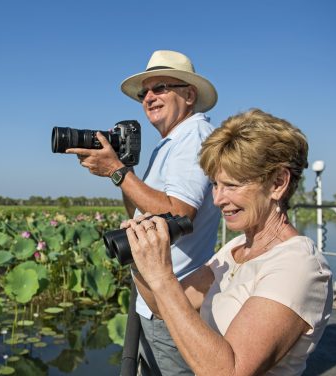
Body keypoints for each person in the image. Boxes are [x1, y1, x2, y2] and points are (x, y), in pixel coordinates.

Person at [125, 109, 333, 375]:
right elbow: (163, 307)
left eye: (232, 186)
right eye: (215, 184)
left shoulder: (298, 266)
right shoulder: (234, 251)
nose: (218, 199)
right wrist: (139, 258)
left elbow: (230, 371)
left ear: (278, 183)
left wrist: (163, 276)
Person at [66, 50, 221, 374]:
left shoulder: (193, 138)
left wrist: (118, 171)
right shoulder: (171, 142)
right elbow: (141, 212)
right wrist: (124, 171)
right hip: (155, 299)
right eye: (143, 92)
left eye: (161, 87)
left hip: (175, 301)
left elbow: (179, 214)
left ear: (189, 94)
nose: (149, 97)